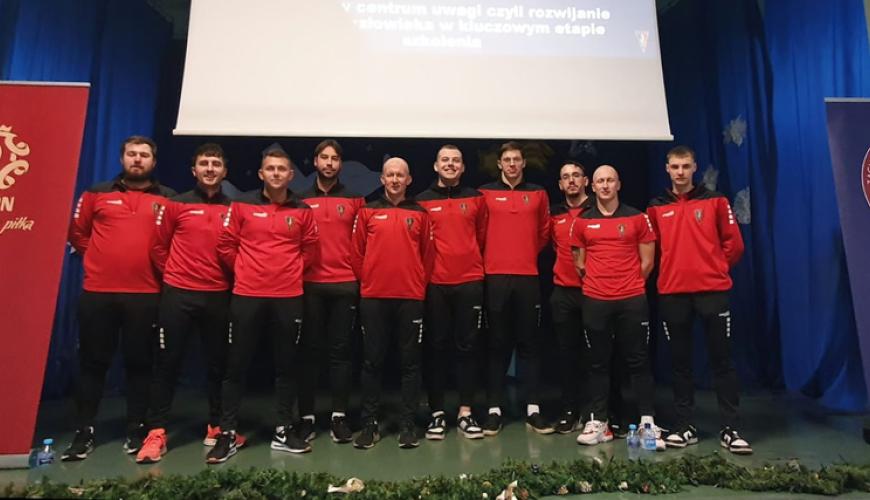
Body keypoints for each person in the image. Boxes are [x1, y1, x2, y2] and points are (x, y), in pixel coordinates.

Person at [63, 136, 176, 461]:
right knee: (92, 364)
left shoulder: (168, 198)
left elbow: (174, 241)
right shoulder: (96, 193)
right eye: (132, 154)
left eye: (144, 155)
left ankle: (136, 429)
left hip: (146, 295)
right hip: (99, 293)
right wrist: (99, 260)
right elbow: (77, 233)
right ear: (122, 158)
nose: (137, 159)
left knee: (140, 364)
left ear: (154, 162)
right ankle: (84, 431)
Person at [206, 145, 319, 463]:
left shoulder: (303, 210)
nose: (276, 173)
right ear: (261, 173)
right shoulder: (242, 205)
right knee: (235, 366)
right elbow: (226, 245)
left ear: (291, 174)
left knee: (287, 367)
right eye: (270, 168)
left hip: (288, 297)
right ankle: (227, 434)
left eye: (281, 169)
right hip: (247, 295)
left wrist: (288, 272)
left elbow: (310, 249)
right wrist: (246, 271)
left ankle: (283, 430)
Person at [134, 144, 245, 463]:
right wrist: (177, 275)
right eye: (204, 163)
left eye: (216, 164)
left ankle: (216, 427)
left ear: (225, 172)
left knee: (219, 365)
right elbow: (158, 248)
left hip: (219, 295)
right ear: (193, 170)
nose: (210, 168)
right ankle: (156, 432)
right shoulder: (176, 204)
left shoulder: (235, 208)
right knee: (167, 364)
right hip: (178, 295)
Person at [647, 145, 751, 454]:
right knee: (680, 364)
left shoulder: (716, 201)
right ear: (667, 169)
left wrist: (714, 269)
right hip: (672, 293)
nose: (680, 172)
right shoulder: (655, 207)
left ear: (695, 168)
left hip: (712, 293)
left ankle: (731, 429)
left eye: (685, 166)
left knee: (722, 362)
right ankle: (685, 427)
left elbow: (734, 245)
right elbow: (651, 250)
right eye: (675, 166)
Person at [572, 165, 664, 450]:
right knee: (597, 363)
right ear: (593, 186)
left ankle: (647, 422)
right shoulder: (582, 221)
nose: (605, 185)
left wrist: (628, 285)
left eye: (610, 180)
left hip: (631, 299)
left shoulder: (638, 217)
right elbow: (579, 263)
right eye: (600, 181)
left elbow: (647, 262)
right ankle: (600, 422)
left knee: (638, 361)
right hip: (595, 300)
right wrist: (600, 285)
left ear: (618, 184)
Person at [351, 157, 434, 450]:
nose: (395, 180)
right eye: (390, 175)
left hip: (410, 298)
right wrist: (370, 282)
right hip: (374, 298)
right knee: (371, 362)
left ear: (408, 180)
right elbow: (356, 253)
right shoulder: (367, 211)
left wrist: (416, 285)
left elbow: (428, 255)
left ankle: (407, 425)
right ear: (382, 179)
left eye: (400, 175)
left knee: (410, 363)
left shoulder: (420, 214)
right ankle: (369, 425)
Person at [478, 141, 552, 435]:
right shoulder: (484, 194)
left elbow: (544, 232)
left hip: (527, 277)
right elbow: (479, 232)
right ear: (499, 164)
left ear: (523, 163)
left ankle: (533, 409)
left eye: (516, 159)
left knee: (529, 344)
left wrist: (523, 254)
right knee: (496, 344)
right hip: (495, 277)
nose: (511, 164)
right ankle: (494, 409)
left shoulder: (538, 193)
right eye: (507, 159)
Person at [416, 145, 488, 440]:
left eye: (456, 160)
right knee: (436, 348)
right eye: (444, 160)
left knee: (467, 348)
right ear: (435, 166)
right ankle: (436, 414)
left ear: (463, 167)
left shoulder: (476, 198)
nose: (450, 164)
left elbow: (481, 237)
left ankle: (465, 413)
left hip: (469, 281)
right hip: (435, 284)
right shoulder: (421, 201)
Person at [297, 140, 365, 444]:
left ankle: (339, 416)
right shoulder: (299, 199)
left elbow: (362, 243)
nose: (329, 163)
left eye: (334, 158)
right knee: (308, 354)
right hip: (309, 286)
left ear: (340, 164)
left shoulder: (355, 200)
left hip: (344, 285)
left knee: (341, 353)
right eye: (324, 157)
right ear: (315, 162)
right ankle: (307, 418)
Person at [548, 161, 592, 434]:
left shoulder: (599, 210)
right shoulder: (554, 214)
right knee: (567, 356)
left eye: (576, 175)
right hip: (563, 292)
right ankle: (569, 411)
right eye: (566, 177)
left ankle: (597, 411)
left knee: (596, 355)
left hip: (594, 292)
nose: (571, 180)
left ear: (586, 181)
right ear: (560, 184)